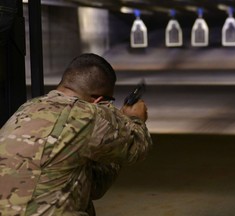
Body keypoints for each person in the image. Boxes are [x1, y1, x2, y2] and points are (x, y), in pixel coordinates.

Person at [0, 53, 153, 215]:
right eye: (107, 102)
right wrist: (135, 119)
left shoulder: (27, 108)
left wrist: (114, 135)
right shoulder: (88, 114)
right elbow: (138, 146)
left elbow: (93, 185)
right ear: (98, 100)